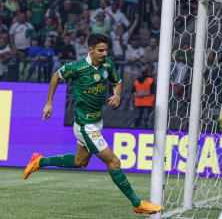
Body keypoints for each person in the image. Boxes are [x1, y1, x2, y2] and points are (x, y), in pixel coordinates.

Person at [23, 33, 162, 215]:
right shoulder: (77, 67)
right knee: (114, 162)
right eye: (101, 50)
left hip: (97, 122)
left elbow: (117, 82)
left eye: (106, 50)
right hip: (84, 125)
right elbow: (56, 76)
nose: (105, 53)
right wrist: (49, 103)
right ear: (90, 50)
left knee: (79, 162)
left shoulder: (107, 64)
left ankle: (39, 161)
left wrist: (117, 94)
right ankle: (137, 203)